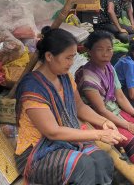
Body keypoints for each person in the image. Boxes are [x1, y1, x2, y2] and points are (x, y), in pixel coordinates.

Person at [14, 27, 126, 185]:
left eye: (73, 57)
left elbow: (79, 107)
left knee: (102, 160)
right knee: (83, 166)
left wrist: (103, 122)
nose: (71, 63)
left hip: (65, 141)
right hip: (37, 152)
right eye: (67, 58)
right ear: (49, 56)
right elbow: (52, 132)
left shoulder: (65, 78)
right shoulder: (33, 88)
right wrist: (99, 135)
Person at [75, 30, 134, 179]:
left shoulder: (109, 68)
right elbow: (102, 110)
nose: (106, 54)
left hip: (114, 110)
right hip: (100, 120)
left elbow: (121, 97)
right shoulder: (88, 77)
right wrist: (128, 125)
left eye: (109, 49)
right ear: (89, 51)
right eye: (100, 50)